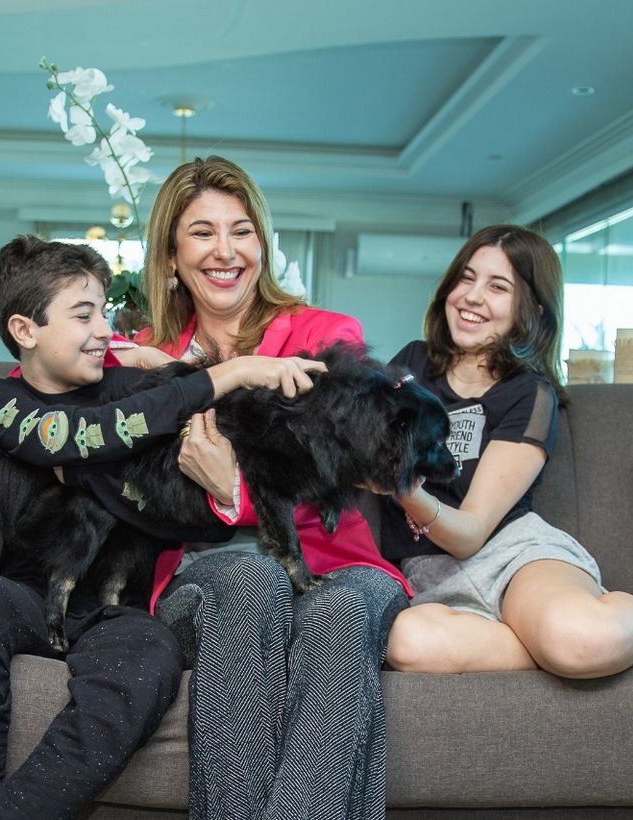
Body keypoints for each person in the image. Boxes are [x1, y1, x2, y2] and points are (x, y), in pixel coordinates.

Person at [0, 235, 325, 820]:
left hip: (118, 613)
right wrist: (236, 372)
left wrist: (87, 469)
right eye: (83, 313)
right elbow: (83, 434)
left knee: (153, 655)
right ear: (25, 330)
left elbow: (188, 513)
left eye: (105, 314)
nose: (102, 328)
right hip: (25, 594)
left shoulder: (134, 390)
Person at [126, 155, 412, 820]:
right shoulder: (149, 357)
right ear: (171, 255)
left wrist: (230, 490)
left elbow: (334, 464)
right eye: (201, 232)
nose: (225, 251)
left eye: (242, 230)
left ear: (263, 243)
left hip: (334, 563)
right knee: (250, 582)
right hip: (208, 574)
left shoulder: (324, 335)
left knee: (338, 612)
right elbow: (134, 482)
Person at [377, 224, 633, 679]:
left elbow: (471, 533)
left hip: (512, 556)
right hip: (430, 575)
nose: (472, 296)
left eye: (498, 287)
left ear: (532, 309)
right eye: (466, 277)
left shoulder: (528, 393)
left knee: (581, 641)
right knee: (407, 644)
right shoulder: (411, 364)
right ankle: (565, 644)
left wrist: (398, 485)